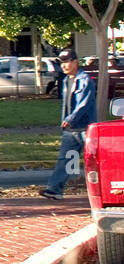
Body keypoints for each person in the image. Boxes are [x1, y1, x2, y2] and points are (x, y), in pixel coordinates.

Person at [42, 48, 97, 201]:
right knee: (65, 159)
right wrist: (65, 121)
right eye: (62, 63)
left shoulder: (85, 80)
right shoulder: (66, 80)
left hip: (86, 128)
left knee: (94, 159)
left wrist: (70, 118)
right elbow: (66, 104)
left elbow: (84, 104)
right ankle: (54, 190)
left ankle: (105, 188)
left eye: (67, 62)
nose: (64, 66)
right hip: (70, 129)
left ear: (75, 62)